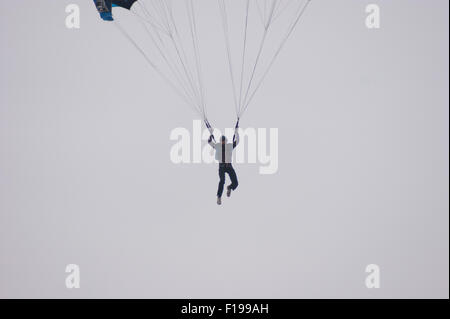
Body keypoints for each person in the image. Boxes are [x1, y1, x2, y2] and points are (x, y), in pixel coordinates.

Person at [208, 122, 240, 205]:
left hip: (229, 166)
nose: (222, 142)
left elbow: (238, 141)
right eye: (221, 141)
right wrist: (211, 135)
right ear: (220, 141)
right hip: (222, 167)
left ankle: (229, 188)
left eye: (224, 141)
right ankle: (219, 196)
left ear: (226, 141)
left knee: (236, 183)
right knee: (222, 180)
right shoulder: (217, 146)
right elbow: (209, 141)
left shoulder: (230, 146)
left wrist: (236, 132)